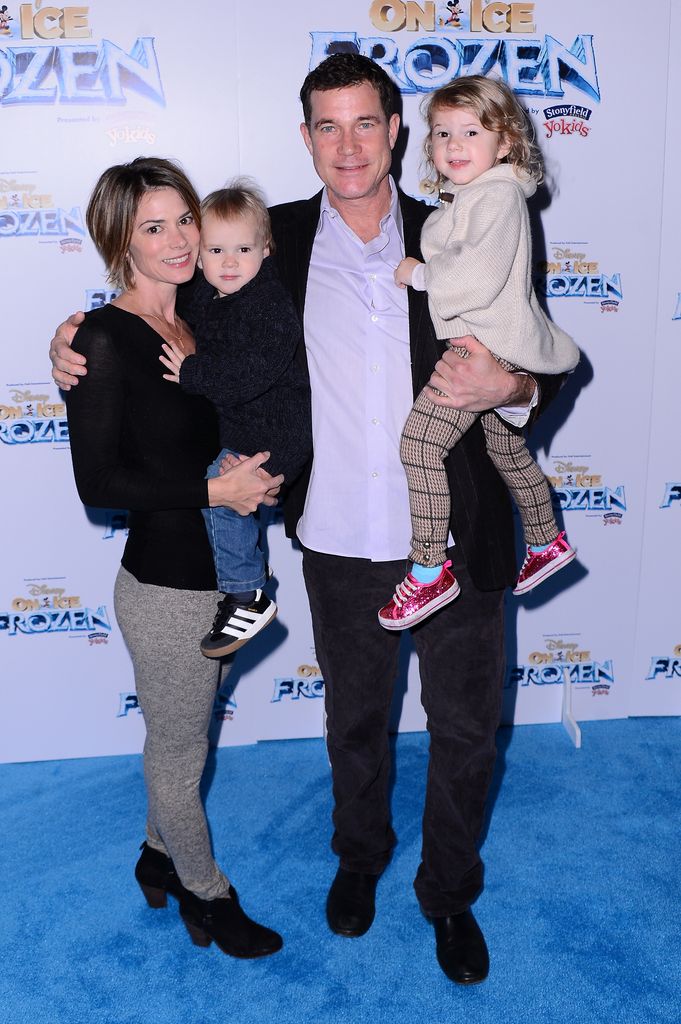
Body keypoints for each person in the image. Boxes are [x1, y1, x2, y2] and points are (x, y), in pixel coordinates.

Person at [50, 56, 565, 985]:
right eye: (327, 126)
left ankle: (447, 893)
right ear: (304, 139)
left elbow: (535, 348)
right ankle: (358, 859)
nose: (348, 145)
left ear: (397, 128)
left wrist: (514, 384)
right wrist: (75, 344)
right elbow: (158, 305)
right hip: (335, 535)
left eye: (365, 123)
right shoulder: (267, 239)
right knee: (354, 724)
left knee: (461, 730)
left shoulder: (463, 225)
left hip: (456, 537)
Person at [63, 157, 284, 959]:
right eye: (152, 227)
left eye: (183, 219)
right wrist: (214, 496)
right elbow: (100, 481)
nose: (180, 239)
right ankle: (207, 895)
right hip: (164, 589)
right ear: (118, 241)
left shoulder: (202, 313)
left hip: (220, 580)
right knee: (180, 750)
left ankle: (156, 857)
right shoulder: (102, 338)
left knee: (184, 740)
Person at [378, 76, 579, 631]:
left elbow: (481, 276)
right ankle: (545, 539)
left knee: (419, 444)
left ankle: (427, 570)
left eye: (471, 131)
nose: (454, 144)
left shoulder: (495, 195)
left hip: (485, 352)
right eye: (442, 133)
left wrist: (421, 275)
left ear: (506, 142)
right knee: (506, 451)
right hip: (501, 350)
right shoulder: (476, 197)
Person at [159, 180, 311, 658]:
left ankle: (247, 593)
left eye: (243, 249)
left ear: (266, 250)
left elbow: (246, 376)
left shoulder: (269, 304)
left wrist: (191, 371)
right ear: (199, 256)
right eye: (216, 250)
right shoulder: (207, 295)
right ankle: (243, 584)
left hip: (278, 430)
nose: (229, 262)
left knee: (220, 493)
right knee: (218, 489)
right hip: (247, 424)